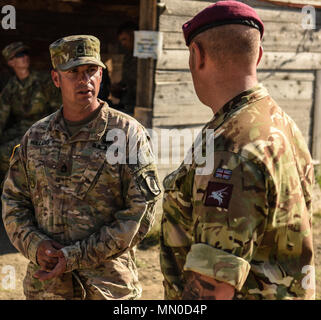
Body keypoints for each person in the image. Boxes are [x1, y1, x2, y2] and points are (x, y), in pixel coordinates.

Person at [160, 1, 315, 300]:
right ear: (258, 55)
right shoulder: (281, 124)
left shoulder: (229, 148)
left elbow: (214, 287)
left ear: (197, 55)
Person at [2, 35, 161, 300]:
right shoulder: (36, 136)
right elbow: (13, 201)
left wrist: (75, 256)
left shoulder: (126, 133)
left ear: (101, 74)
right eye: (73, 72)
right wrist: (34, 245)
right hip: (47, 289)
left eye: (91, 71)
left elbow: (140, 213)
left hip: (106, 287)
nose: (84, 80)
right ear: (56, 79)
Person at [0, 41, 61, 185]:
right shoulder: (10, 89)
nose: (25, 57)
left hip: (44, 128)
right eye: (19, 55)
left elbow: (58, 110)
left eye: (25, 53)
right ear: (10, 62)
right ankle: (8, 190)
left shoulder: (43, 81)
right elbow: (1, 115)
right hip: (21, 130)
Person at [110, 22, 138, 116]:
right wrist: (118, 87)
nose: (123, 43)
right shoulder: (128, 57)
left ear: (134, 35)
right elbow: (126, 81)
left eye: (125, 39)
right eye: (121, 41)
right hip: (127, 103)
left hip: (137, 103)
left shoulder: (143, 59)